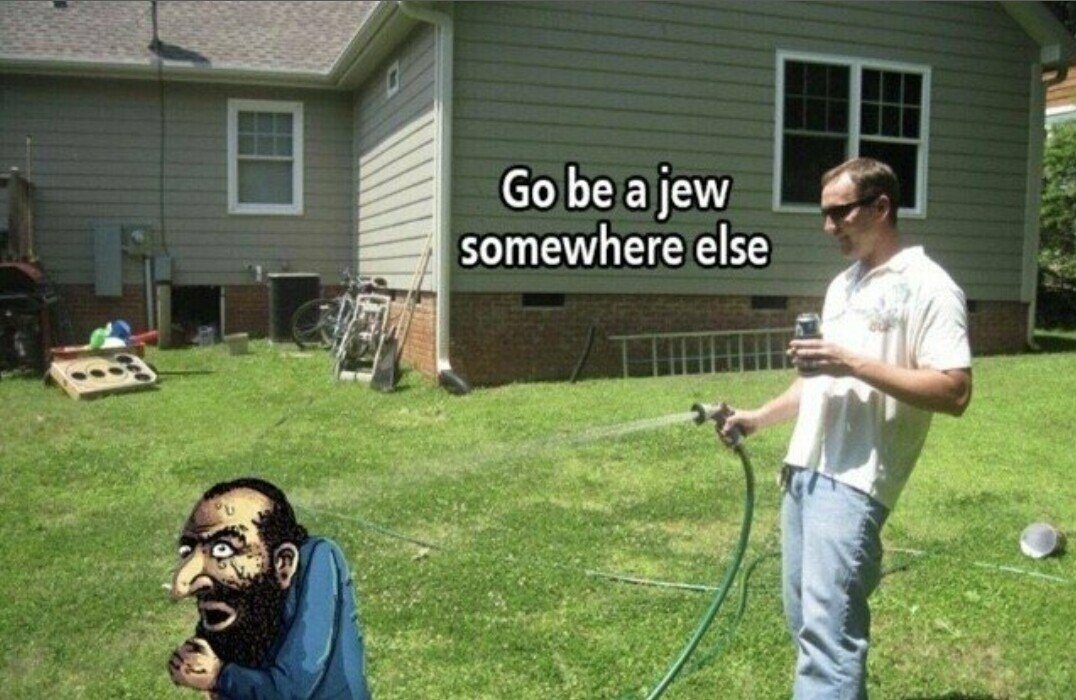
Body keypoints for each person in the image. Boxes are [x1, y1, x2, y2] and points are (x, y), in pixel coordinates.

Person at [722, 158, 972, 698]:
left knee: (828, 641)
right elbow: (817, 382)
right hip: (803, 474)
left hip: (855, 482)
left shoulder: (929, 286)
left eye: (840, 213)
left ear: (881, 207)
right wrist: (758, 419)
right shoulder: (842, 286)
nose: (828, 226)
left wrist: (852, 362)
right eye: (825, 214)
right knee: (807, 626)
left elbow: (954, 391)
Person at [168, 478, 372, 699]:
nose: (182, 587)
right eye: (187, 551)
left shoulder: (319, 559)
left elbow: (291, 690)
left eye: (222, 549)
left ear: (283, 564)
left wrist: (218, 676)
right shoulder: (238, 604)